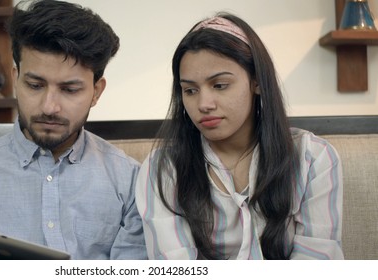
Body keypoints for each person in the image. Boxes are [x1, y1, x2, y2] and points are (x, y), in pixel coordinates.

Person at [0, 0, 146, 260]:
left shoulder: (129, 181)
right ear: (15, 79)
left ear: (97, 91)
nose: (49, 107)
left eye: (70, 90)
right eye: (35, 85)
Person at [135, 12, 344, 260]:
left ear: (256, 81)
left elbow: (317, 263)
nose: (204, 104)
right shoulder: (163, 169)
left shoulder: (313, 158)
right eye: (190, 90)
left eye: (220, 85)